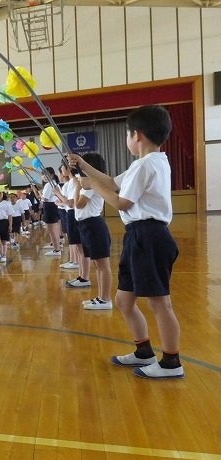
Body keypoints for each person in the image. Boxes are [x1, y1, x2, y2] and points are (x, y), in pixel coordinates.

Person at [68, 104, 183, 379]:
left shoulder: (148, 164)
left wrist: (92, 186)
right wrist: (84, 166)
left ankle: (171, 362)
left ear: (137, 135)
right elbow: (112, 182)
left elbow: (121, 201)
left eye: (127, 134)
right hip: (137, 236)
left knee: (159, 303)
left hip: (150, 236)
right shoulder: (142, 164)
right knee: (123, 300)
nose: (127, 139)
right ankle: (144, 351)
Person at [72, 153, 112, 309]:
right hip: (86, 226)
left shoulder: (91, 183)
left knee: (102, 265)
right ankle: (101, 297)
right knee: (97, 264)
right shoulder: (87, 183)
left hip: (93, 225)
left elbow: (79, 204)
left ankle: (105, 299)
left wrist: (76, 187)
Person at [40, 167, 62, 257]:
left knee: (52, 230)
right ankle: (55, 245)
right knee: (54, 229)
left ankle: (56, 250)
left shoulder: (49, 184)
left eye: (45, 174)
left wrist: (40, 194)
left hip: (50, 207)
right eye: (42, 174)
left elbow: (45, 198)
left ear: (52, 175)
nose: (43, 176)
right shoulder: (53, 183)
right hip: (53, 206)